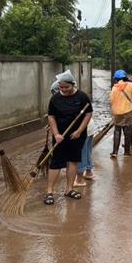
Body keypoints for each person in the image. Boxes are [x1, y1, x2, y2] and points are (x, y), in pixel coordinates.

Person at [46, 71, 93, 204]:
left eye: (67, 87)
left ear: (73, 85)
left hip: (76, 136)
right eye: (61, 87)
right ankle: (49, 192)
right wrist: (56, 134)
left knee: (73, 161)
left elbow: (88, 114)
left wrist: (79, 130)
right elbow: (51, 117)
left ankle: (69, 189)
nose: (64, 90)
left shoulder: (82, 97)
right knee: (56, 162)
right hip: (60, 136)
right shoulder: (55, 99)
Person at [110, 69, 132, 158]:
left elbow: (111, 101)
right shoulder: (130, 85)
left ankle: (115, 152)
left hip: (117, 113)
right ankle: (127, 151)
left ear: (116, 79)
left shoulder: (114, 88)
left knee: (117, 131)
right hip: (128, 112)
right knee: (127, 131)